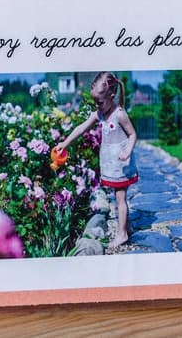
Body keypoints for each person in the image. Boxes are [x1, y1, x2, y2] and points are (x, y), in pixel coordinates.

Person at [56, 72, 137, 248]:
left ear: (111, 96)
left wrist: (128, 152)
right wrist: (66, 142)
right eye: (95, 102)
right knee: (118, 197)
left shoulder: (120, 114)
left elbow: (132, 135)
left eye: (99, 102)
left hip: (122, 162)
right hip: (111, 161)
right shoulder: (99, 114)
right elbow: (81, 127)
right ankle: (127, 226)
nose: (97, 105)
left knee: (120, 197)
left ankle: (122, 233)